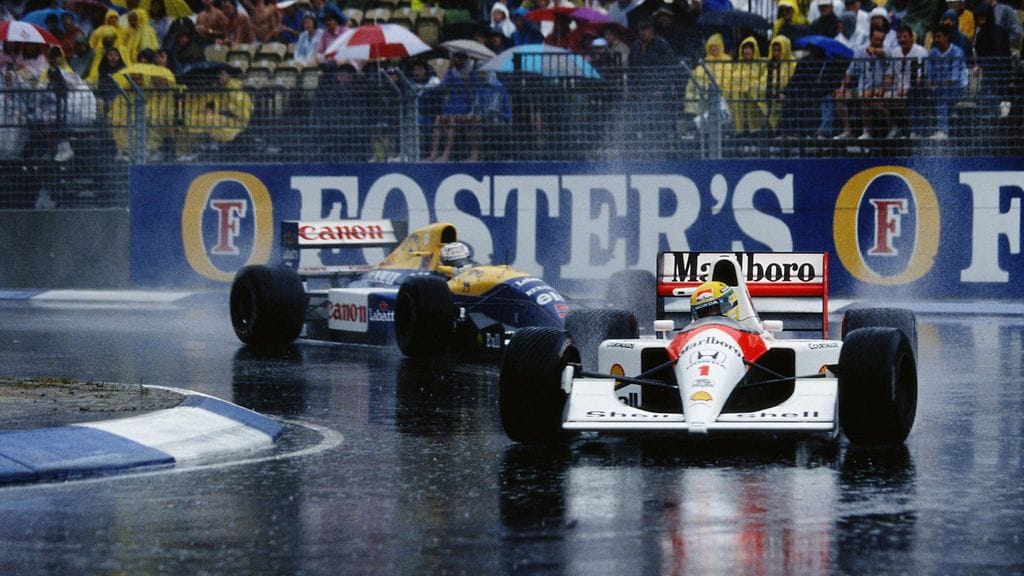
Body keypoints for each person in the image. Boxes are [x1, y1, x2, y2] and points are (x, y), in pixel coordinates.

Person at [834, 27, 891, 139]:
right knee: (840, 97)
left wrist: (874, 51)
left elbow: (884, 59)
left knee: (865, 97)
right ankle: (848, 131)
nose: (879, 42)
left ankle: (867, 131)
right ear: (870, 38)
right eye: (876, 39)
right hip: (862, 87)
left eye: (881, 40)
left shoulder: (887, 51)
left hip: (881, 88)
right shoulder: (860, 51)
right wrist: (842, 87)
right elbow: (850, 72)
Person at [427, 51, 478, 161]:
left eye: (461, 58)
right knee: (438, 120)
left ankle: (446, 154)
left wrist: (467, 81)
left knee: (452, 120)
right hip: (450, 107)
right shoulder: (451, 73)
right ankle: (434, 153)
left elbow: (473, 94)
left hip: (464, 109)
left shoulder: (472, 74)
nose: (458, 60)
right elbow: (443, 87)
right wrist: (449, 69)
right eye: (456, 58)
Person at [925, 23, 968, 139]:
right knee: (919, 95)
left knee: (941, 95)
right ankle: (918, 132)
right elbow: (929, 74)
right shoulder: (933, 53)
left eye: (939, 37)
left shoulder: (957, 52)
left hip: (956, 89)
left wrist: (937, 87)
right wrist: (930, 86)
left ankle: (943, 131)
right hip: (939, 88)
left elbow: (953, 79)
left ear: (946, 37)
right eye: (934, 37)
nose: (936, 40)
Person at [884, 24, 928, 137]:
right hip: (898, 87)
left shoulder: (920, 51)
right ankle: (895, 128)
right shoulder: (895, 52)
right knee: (881, 98)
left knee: (906, 98)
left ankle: (912, 130)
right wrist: (881, 89)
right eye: (899, 37)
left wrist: (907, 90)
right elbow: (890, 74)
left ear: (911, 37)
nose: (902, 40)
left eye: (905, 36)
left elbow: (920, 77)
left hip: (917, 86)